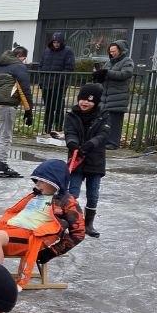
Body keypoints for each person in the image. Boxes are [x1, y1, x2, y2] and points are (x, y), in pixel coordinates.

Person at [0, 159, 86, 286]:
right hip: (9, 227)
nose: (37, 184)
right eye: (37, 180)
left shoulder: (67, 202)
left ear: (54, 182)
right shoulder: (37, 194)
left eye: (42, 181)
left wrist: (51, 252)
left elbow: (79, 233)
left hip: (30, 237)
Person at [0, 45, 33, 178]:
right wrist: (29, 110)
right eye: (24, 58)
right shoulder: (19, 67)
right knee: (5, 136)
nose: (24, 61)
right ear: (20, 56)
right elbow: (24, 89)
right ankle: (1, 164)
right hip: (6, 105)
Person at [64, 83, 109, 239]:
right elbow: (69, 132)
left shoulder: (103, 115)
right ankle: (69, 222)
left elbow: (103, 134)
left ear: (95, 102)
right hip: (76, 159)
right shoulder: (72, 115)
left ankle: (88, 224)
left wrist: (90, 144)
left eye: (89, 100)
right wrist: (72, 143)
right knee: (72, 192)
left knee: (93, 194)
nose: (85, 103)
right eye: (82, 99)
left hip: (95, 160)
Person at [93, 41, 134, 149]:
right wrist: (99, 75)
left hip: (118, 96)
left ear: (120, 50)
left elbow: (125, 74)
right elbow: (105, 73)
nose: (112, 53)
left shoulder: (127, 61)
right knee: (105, 120)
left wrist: (107, 73)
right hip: (106, 96)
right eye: (110, 52)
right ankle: (105, 140)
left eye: (114, 51)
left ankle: (113, 142)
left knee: (115, 121)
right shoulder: (109, 62)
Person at [37, 32, 76, 137]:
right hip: (46, 84)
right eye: (54, 42)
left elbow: (69, 68)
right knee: (48, 107)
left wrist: (60, 80)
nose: (56, 44)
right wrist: (41, 80)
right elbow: (41, 65)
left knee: (58, 107)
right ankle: (47, 128)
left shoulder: (68, 51)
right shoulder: (46, 51)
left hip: (59, 85)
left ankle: (58, 128)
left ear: (62, 42)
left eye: (58, 42)